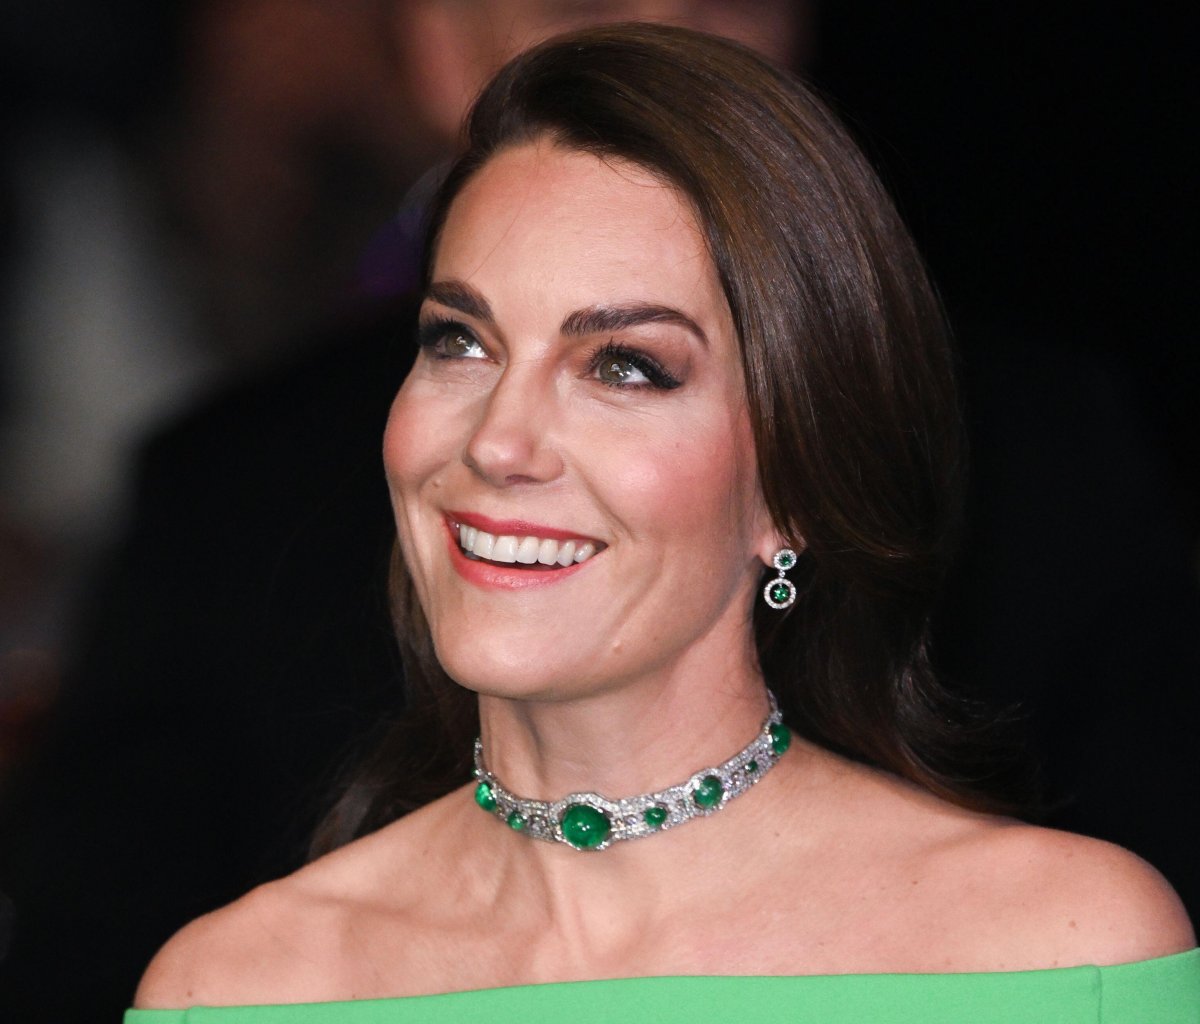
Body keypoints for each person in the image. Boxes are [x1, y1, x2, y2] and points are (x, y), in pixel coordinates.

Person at [128, 24, 1197, 1021]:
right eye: (462, 341)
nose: (500, 442)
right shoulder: (240, 985)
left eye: (624, 366)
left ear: (798, 486)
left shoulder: (1058, 951)